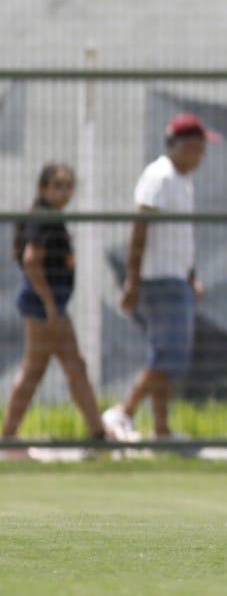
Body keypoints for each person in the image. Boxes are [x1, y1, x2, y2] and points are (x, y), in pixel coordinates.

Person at [102, 112, 219, 441]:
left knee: (166, 358)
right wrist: (133, 279)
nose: (203, 156)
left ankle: (161, 430)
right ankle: (123, 413)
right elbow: (140, 228)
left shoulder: (183, 181)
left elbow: (182, 238)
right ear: (186, 145)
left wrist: (190, 276)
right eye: (200, 147)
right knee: (165, 354)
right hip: (159, 281)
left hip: (176, 279)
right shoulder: (159, 176)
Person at [2, 163, 107, 448]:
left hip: (51, 304)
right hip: (43, 305)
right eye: (58, 185)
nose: (64, 192)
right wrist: (49, 305)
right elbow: (31, 261)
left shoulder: (51, 218)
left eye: (68, 186)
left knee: (72, 366)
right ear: (43, 188)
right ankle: (9, 438)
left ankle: (99, 435)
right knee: (40, 369)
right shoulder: (44, 218)